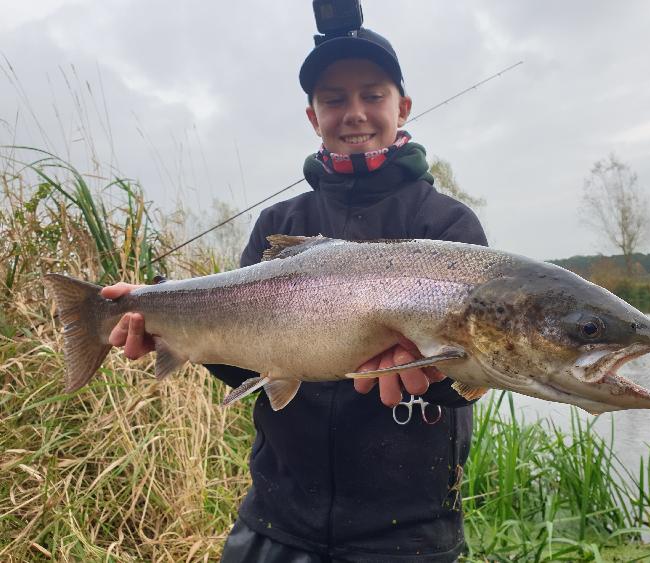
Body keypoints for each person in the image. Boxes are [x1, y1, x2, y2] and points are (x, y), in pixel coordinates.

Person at [103, 27, 487, 562]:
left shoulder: (448, 224)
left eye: (373, 95)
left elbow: (472, 372)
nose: (354, 112)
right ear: (313, 117)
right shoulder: (279, 223)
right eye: (334, 99)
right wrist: (167, 326)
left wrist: (441, 375)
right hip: (276, 521)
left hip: (406, 534)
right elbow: (245, 363)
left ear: (403, 107)